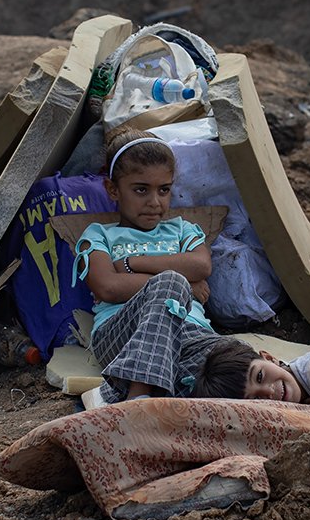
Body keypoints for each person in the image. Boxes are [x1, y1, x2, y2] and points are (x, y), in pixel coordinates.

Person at [73, 131, 219, 403]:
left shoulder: (182, 229)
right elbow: (108, 287)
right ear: (113, 189)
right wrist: (183, 286)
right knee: (171, 282)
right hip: (121, 336)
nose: (155, 202)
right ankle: (137, 397)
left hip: (191, 333)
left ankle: (117, 393)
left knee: (239, 358)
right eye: (141, 190)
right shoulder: (99, 235)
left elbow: (201, 265)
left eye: (164, 190)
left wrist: (131, 263)